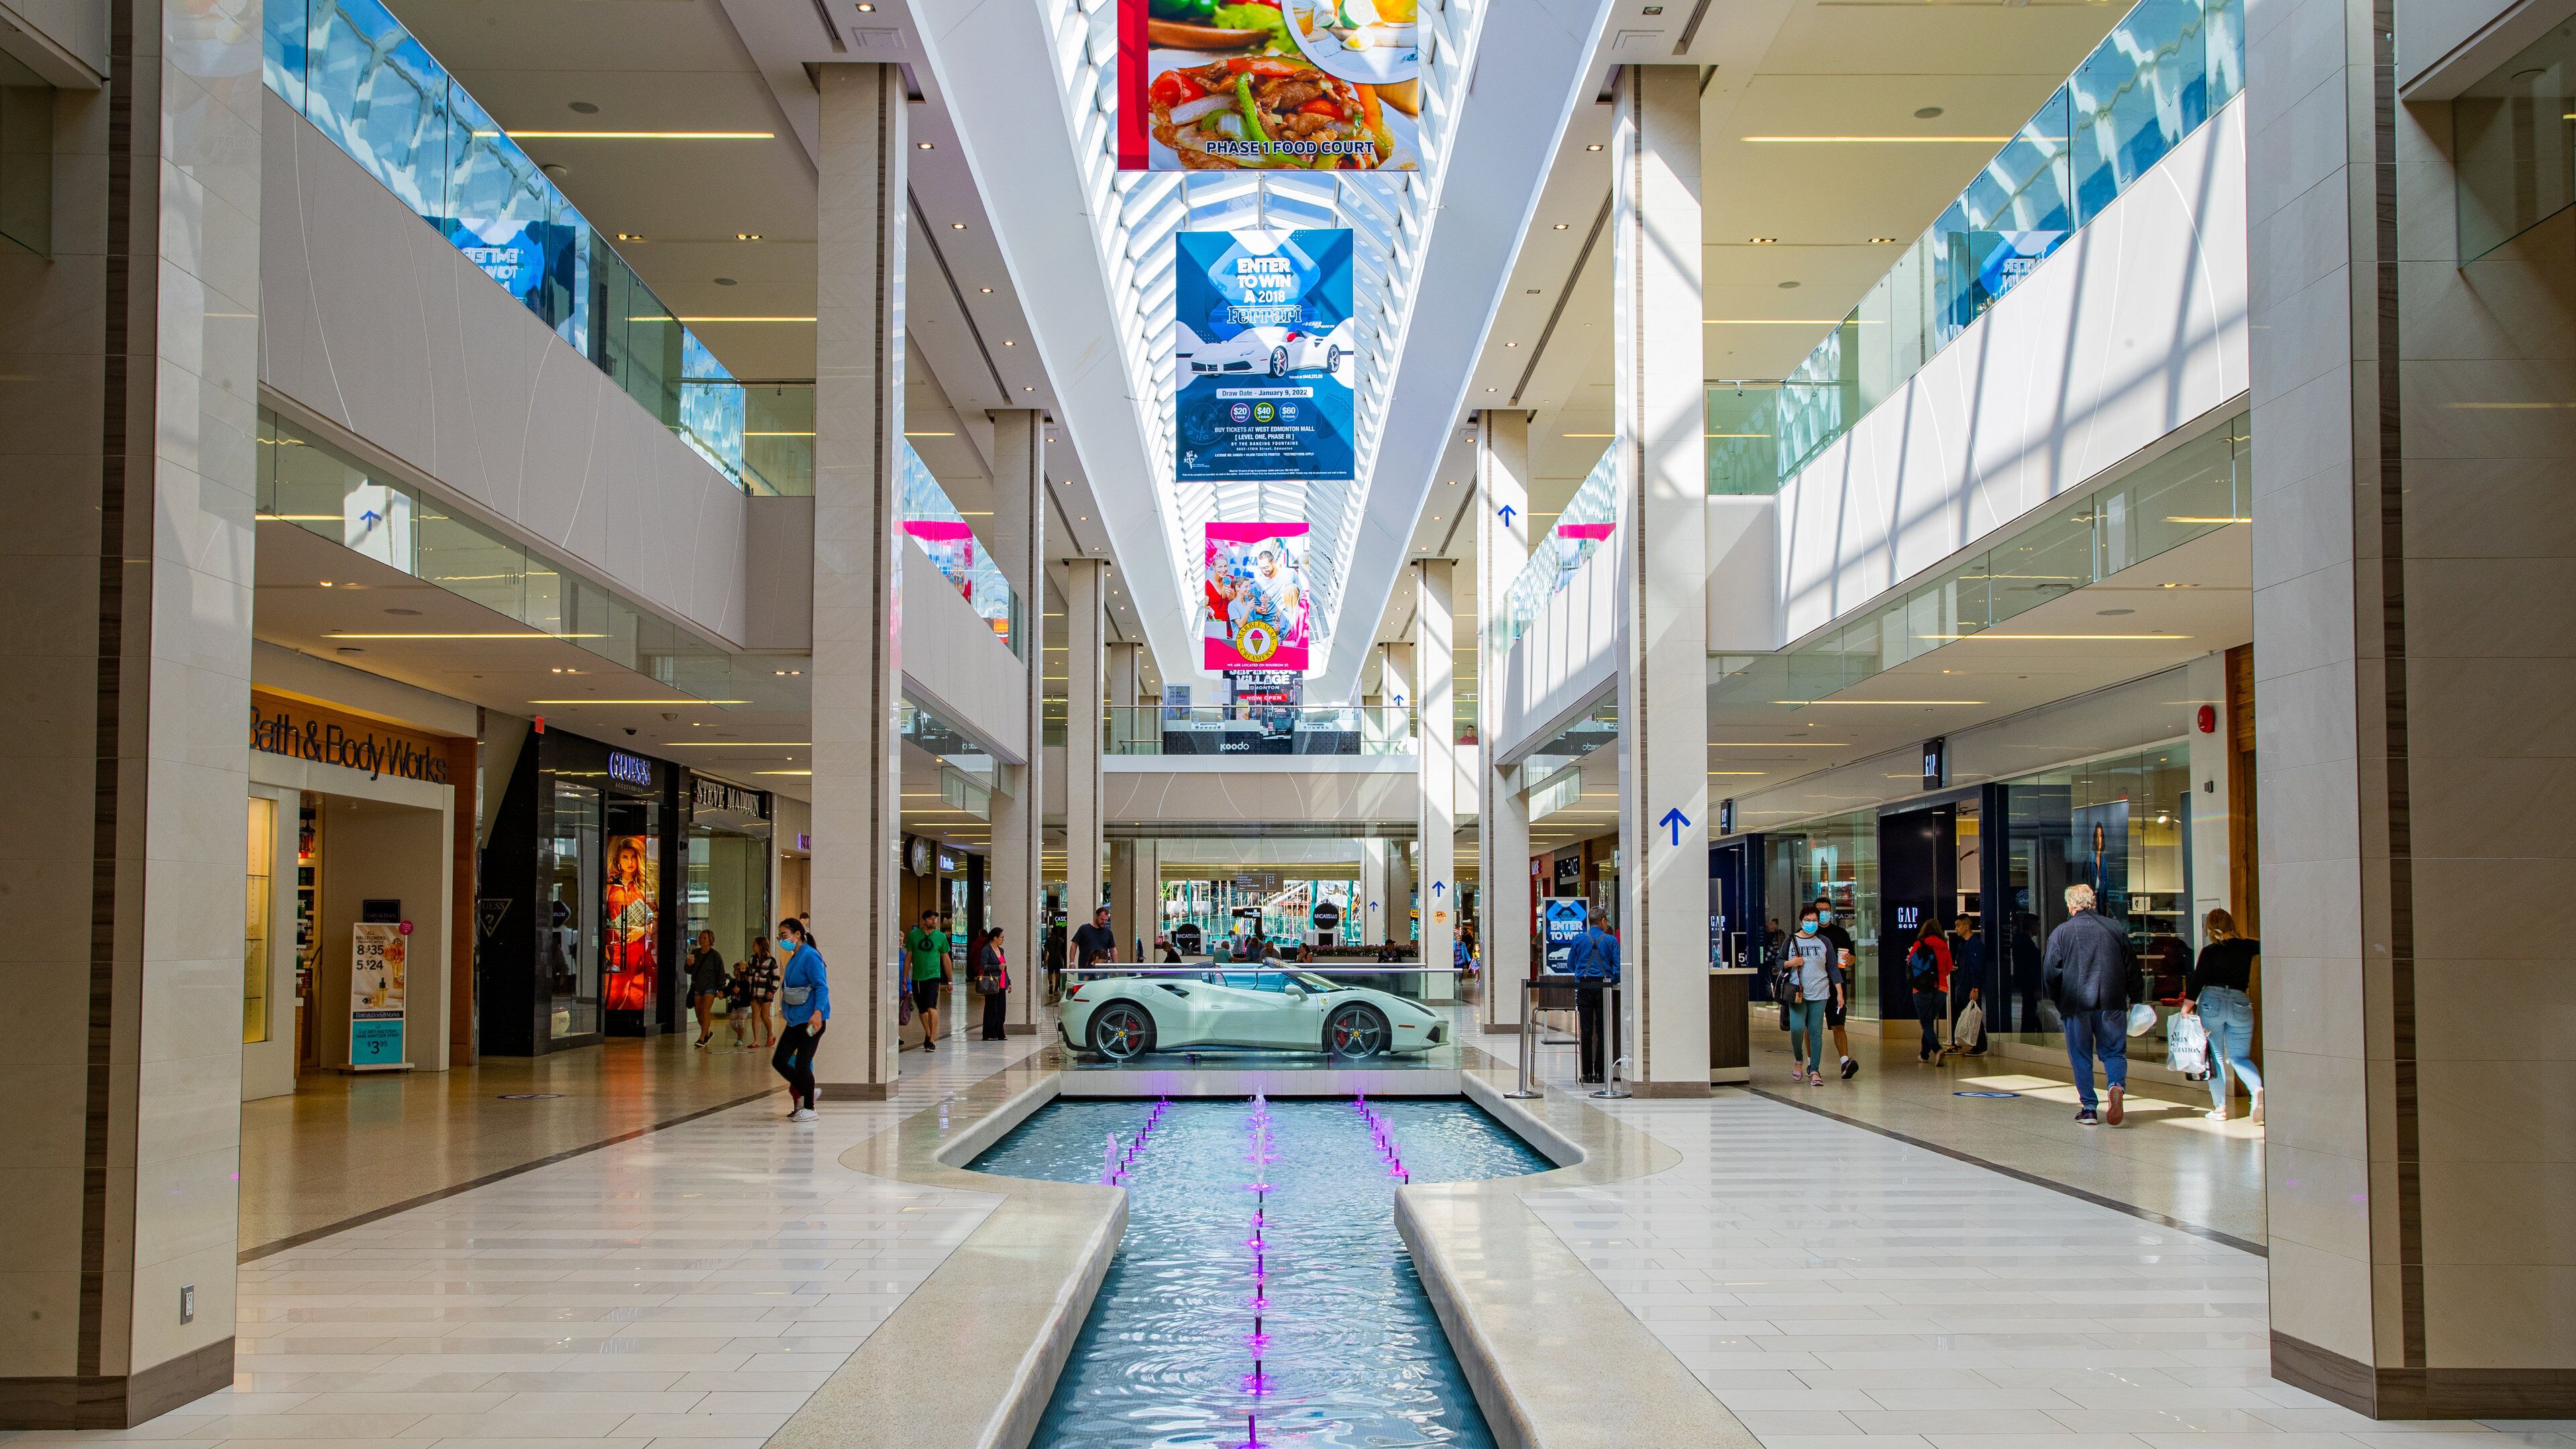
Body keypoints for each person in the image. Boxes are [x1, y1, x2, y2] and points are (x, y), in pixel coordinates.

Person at [2042, 883, 2135, 1127]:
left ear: (2071, 906)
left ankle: (2090, 1109)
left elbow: (2051, 972)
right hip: (2112, 1002)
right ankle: (2115, 1085)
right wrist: (2136, 996)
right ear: (2092, 902)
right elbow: (2131, 966)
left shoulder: (2062, 932)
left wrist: (2058, 1000)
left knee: (2081, 1054)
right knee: (2114, 1051)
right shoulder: (2115, 928)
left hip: (2076, 1004)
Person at [2185, 908, 2264, 1122]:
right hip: (2240, 1003)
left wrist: (2186, 1008)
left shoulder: (2210, 952)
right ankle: (2256, 1089)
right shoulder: (2247, 947)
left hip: (2212, 1005)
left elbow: (2197, 981)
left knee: (2216, 1057)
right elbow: (2268, 941)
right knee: (2239, 1057)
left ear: (2209, 928)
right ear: (2232, 924)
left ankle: (2220, 1109)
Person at [772, 916, 829, 1121]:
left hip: (810, 1020)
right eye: (780, 936)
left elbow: (822, 986)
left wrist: (818, 1012)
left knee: (803, 1063)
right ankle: (808, 1089)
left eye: (784, 935)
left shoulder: (810, 956)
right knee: (779, 1061)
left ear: (797, 934)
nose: (782, 940)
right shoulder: (795, 957)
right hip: (795, 1021)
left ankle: (810, 1108)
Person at [1781, 906, 1841, 1085]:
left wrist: (1839, 992)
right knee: (1797, 1028)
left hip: (1820, 992)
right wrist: (1791, 963)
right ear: (1801, 922)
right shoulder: (1791, 940)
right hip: (1797, 993)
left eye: (1815, 921)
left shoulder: (1825, 942)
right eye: (1808, 921)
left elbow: (1833, 968)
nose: (1812, 924)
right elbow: (1778, 961)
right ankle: (1798, 1059)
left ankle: (1814, 1069)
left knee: (1815, 1032)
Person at [1564, 917, 1620, 1085]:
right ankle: (1602, 1073)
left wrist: (1583, 970)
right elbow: (1617, 968)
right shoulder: (1611, 940)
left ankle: (1587, 1073)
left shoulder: (1578, 939)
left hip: (1584, 985)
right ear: (1603, 921)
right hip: (1604, 986)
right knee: (1603, 1029)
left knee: (1586, 1030)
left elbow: (1570, 965)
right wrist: (1612, 978)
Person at [1813, 896, 1859, 1079]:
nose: (1824, 913)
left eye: (1826, 910)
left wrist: (1850, 960)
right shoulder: (1805, 934)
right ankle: (1812, 1063)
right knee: (1812, 1027)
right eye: (1820, 910)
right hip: (1813, 988)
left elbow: (1853, 957)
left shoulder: (1841, 934)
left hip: (1836, 987)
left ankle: (1845, 1061)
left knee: (1839, 1024)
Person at [1906, 922, 1953, 1063]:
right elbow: (1949, 967)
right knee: (1928, 1022)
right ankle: (1924, 1054)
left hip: (1922, 988)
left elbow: (1910, 963)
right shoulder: (1944, 946)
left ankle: (1937, 1050)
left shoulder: (1919, 944)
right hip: (1941, 989)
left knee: (1926, 1023)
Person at [904, 908, 949, 1050]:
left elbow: (946, 959)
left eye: (935, 919)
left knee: (931, 1007)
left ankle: (933, 1039)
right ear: (923, 921)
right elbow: (908, 956)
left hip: (933, 976)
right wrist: (905, 978)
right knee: (922, 1009)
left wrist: (950, 980)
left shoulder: (941, 937)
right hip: (917, 977)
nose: (934, 921)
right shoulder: (914, 935)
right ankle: (928, 1034)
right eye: (930, 919)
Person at [1949, 916, 1988, 1053]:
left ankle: (1980, 1043)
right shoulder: (1962, 945)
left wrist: (1975, 987)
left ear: (1967, 926)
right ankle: (1962, 1041)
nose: (1956, 929)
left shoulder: (1975, 945)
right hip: (1961, 984)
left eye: (1958, 926)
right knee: (1965, 1013)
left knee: (1973, 1015)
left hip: (1969, 986)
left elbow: (1977, 967)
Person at [686, 930, 726, 1049]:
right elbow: (688, 971)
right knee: (698, 1013)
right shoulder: (694, 953)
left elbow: (720, 973)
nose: (702, 940)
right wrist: (689, 965)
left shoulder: (715, 956)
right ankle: (707, 1032)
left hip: (710, 986)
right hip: (698, 986)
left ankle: (702, 1038)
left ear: (710, 940)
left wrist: (721, 989)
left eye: (705, 938)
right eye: (701, 938)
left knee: (705, 1010)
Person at [973, 926, 1012, 1041]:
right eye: (1002, 937)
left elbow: (1004, 968)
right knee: (991, 1008)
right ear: (995, 938)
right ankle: (989, 1032)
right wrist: (997, 967)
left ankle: (999, 1031)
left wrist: (1009, 981)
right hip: (992, 983)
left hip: (1002, 983)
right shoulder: (987, 950)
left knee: (1001, 1009)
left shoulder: (1001, 950)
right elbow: (983, 966)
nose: (1003, 939)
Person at [2011, 913, 2046, 1032]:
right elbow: (2030, 968)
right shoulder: (2027, 945)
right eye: (2037, 925)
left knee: (2029, 1011)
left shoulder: (2021, 942)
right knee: (2029, 1011)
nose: (2039, 928)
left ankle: (2029, 1033)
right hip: (2029, 984)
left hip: (2026, 983)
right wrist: (2036, 987)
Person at [745, 934, 780, 1048]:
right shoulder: (752, 960)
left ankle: (770, 1034)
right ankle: (756, 1040)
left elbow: (776, 978)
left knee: (764, 1016)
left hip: (766, 992)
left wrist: (772, 991)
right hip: (754, 992)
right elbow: (748, 974)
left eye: (754, 944)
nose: (752, 946)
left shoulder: (771, 962)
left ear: (760, 946)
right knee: (755, 1015)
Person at [724, 960, 757, 1048]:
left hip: (744, 1005)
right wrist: (722, 994)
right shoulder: (732, 982)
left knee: (740, 1022)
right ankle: (741, 1034)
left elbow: (748, 994)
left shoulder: (746, 983)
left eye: (736, 970)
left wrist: (740, 991)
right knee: (732, 1023)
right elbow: (727, 991)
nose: (734, 972)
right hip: (735, 1005)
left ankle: (740, 1039)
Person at [1043, 920, 1067, 1003]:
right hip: (1059, 959)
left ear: (1052, 932)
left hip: (1051, 959)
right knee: (1058, 975)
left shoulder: (1049, 940)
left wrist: (1045, 960)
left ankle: (1050, 983)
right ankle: (1056, 990)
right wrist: (1065, 960)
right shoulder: (1061, 940)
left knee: (1050, 973)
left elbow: (1046, 951)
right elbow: (1063, 952)